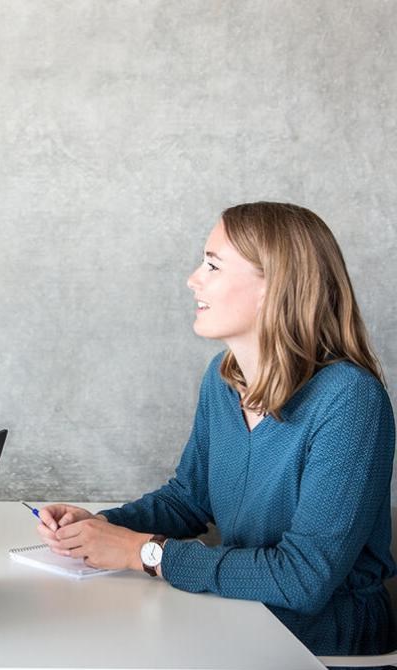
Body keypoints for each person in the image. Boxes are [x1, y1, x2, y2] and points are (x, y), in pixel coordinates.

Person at [36, 202, 396, 657]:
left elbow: (303, 578)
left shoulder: (350, 400)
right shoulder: (223, 379)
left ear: (274, 287)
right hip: (236, 617)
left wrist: (143, 553)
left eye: (212, 264)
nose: (193, 279)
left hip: (321, 649)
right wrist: (103, 527)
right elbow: (188, 499)